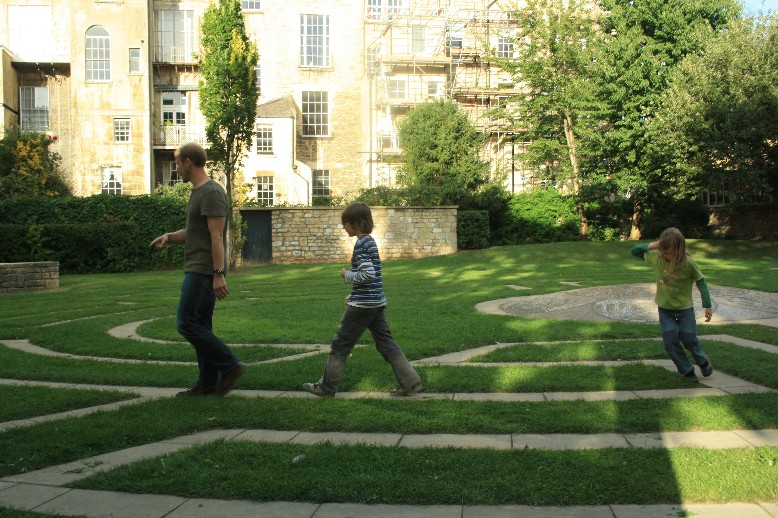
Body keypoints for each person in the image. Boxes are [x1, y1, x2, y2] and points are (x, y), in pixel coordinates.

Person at [149, 142, 245, 396]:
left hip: (203, 270)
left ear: (188, 162)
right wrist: (169, 237)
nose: (177, 168)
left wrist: (218, 274)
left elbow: (216, 237)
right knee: (201, 325)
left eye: (178, 163)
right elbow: (195, 232)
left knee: (187, 323)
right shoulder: (199, 192)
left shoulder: (212, 192)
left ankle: (230, 365)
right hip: (199, 268)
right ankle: (207, 384)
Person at [303, 202, 422, 397]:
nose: (344, 227)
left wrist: (346, 275)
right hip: (375, 302)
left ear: (355, 223)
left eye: (345, 223)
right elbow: (370, 280)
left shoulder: (360, 244)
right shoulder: (370, 242)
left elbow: (368, 274)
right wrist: (352, 295)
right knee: (386, 343)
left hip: (362, 307)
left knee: (341, 344)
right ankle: (410, 382)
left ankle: (326, 387)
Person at [631, 227, 714, 380]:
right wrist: (655, 245)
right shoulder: (658, 258)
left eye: (669, 252)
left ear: (679, 250)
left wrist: (707, 305)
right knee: (670, 341)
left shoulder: (688, 263)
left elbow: (701, 282)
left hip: (685, 309)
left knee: (689, 338)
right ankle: (686, 369)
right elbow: (635, 251)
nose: (666, 255)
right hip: (665, 310)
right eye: (663, 251)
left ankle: (702, 360)